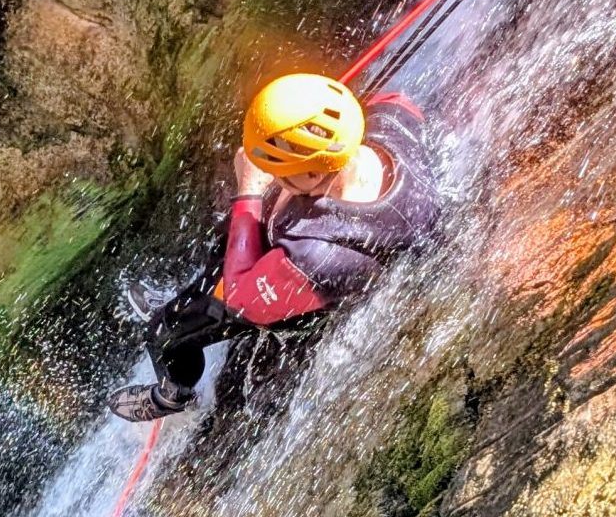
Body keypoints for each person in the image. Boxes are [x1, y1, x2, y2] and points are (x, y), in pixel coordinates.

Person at [108, 73, 441, 422]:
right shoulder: (390, 120)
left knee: (165, 332)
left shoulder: (317, 257)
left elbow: (239, 297)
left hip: (298, 295)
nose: (268, 171)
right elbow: (389, 103)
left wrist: (250, 187)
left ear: (312, 175)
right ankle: (201, 280)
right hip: (323, 237)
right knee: (242, 222)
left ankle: (173, 395)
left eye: (277, 168)